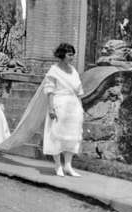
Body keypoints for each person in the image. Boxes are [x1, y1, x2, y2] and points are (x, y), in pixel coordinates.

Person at [43, 43, 84, 177]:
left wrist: (80, 108)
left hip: (73, 107)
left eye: (73, 54)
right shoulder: (54, 70)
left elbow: (78, 91)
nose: (72, 57)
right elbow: (49, 90)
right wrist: (51, 108)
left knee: (72, 136)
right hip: (59, 104)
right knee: (57, 135)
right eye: (69, 54)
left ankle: (68, 165)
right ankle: (57, 165)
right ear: (62, 55)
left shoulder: (74, 71)